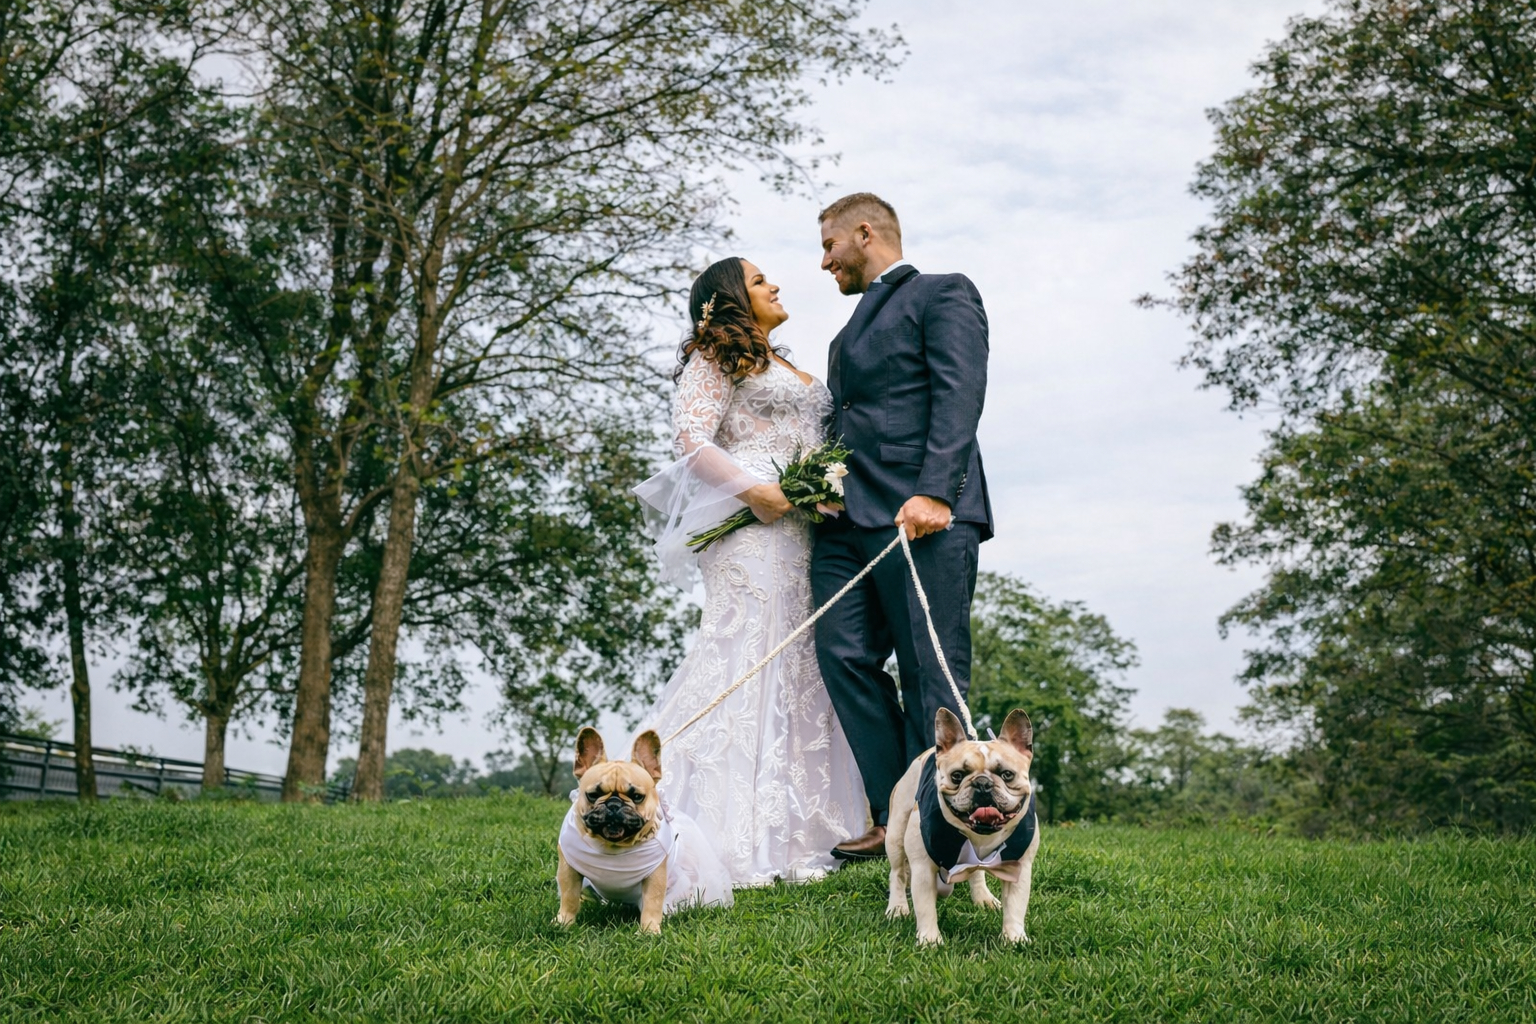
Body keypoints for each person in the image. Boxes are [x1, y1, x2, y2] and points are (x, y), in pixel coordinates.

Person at [634, 256, 864, 886]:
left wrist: (820, 487)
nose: (777, 285)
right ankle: (706, 825)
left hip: (805, 529)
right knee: (743, 652)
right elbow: (693, 440)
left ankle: (799, 833)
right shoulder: (712, 358)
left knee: (800, 661)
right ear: (731, 298)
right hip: (750, 531)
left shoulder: (787, 365)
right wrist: (754, 491)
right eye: (761, 281)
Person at [810, 192, 994, 862]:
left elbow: (959, 391)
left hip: (924, 516)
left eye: (830, 245)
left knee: (930, 671)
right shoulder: (844, 335)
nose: (824, 261)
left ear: (865, 233)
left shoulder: (943, 293)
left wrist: (935, 491)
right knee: (842, 655)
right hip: (845, 523)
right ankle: (896, 811)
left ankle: (946, 831)